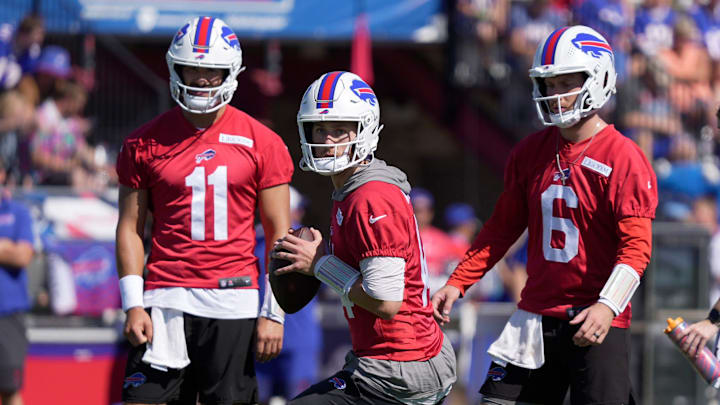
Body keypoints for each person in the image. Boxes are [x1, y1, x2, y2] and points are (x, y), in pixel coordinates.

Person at [432, 25, 658, 404]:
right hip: (535, 316)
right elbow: (501, 229)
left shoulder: (623, 156)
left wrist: (607, 305)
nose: (555, 95)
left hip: (596, 317)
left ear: (598, 79)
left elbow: (635, 249)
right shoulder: (529, 153)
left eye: (566, 82)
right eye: (549, 84)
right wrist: (458, 281)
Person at [115, 16, 293, 405]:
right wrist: (132, 302)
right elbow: (129, 227)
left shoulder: (263, 141)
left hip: (233, 299)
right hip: (165, 297)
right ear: (174, 67)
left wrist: (274, 312)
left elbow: (280, 234)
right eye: (192, 68)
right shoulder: (142, 142)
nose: (200, 79)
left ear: (230, 73)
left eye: (211, 71)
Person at [271, 71, 456, 405]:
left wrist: (320, 264)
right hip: (393, 359)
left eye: (339, 130)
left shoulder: (370, 196)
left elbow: (385, 302)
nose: (327, 140)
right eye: (320, 129)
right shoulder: (351, 188)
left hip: (399, 367)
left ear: (364, 129)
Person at [254, 186, 321, 404]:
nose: (300, 215)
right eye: (298, 209)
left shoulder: (255, 239)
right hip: (274, 336)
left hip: (288, 337)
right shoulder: (256, 240)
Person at [0, 159, 36, 405]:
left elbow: (23, 255)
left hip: (8, 315)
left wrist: (12, 251)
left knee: (10, 389)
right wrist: (5, 247)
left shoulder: (18, 212)